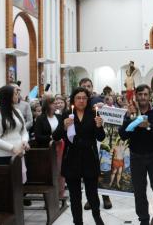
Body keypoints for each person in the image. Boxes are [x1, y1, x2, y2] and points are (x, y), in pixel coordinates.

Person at [119, 84, 153, 225]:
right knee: (139, 191)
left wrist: (149, 126)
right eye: (140, 95)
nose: (143, 97)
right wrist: (129, 119)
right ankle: (144, 219)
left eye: (145, 94)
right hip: (136, 156)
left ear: (150, 95)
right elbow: (123, 135)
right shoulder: (130, 113)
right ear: (136, 96)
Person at [58, 87, 105, 225]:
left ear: (88, 100)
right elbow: (56, 136)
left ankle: (97, 218)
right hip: (72, 159)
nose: (81, 100)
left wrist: (99, 126)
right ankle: (77, 222)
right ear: (73, 99)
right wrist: (63, 127)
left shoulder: (93, 114)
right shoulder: (67, 114)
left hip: (89, 158)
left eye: (84, 98)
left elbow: (101, 137)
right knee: (75, 196)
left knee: (92, 194)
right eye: (78, 98)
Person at [78, 78, 112, 210]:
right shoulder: (78, 101)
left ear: (92, 88)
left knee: (102, 169)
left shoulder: (96, 99)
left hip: (99, 140)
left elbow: (102, 110)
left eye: (89, 86)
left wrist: (101, 107)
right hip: (86, 143)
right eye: (84, 86)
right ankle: (90, 198)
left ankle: (106, 197)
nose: (87, 88)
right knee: (87, 172)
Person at [0, 85, 30, 165]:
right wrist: (12, 148)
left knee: (20, 177)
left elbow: (24, 131)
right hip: (1, 156)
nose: (18, 96)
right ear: (8, 96)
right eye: (16, 94)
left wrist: (24, 141)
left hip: (19, 154)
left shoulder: (18, 112)